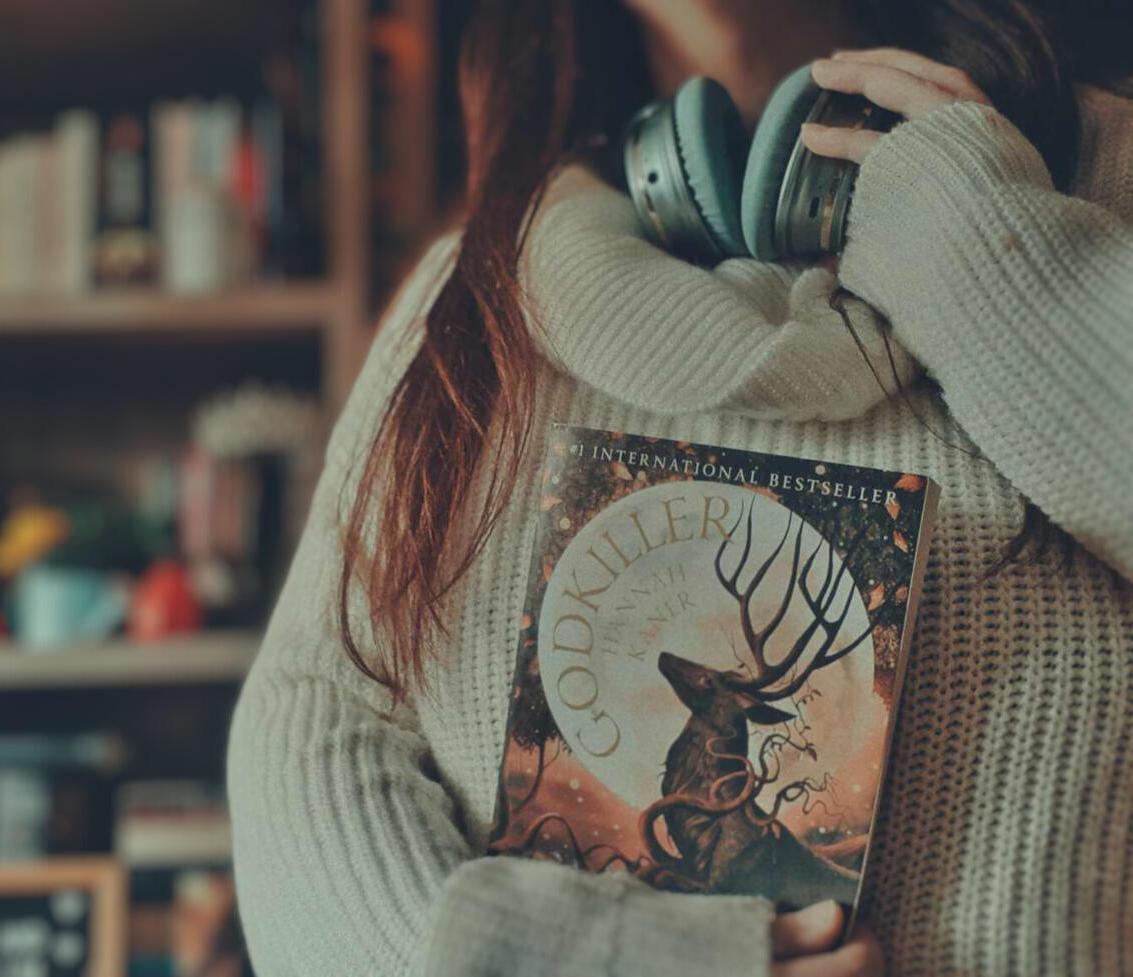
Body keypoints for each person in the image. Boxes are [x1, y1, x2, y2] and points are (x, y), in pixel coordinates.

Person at [228, 1, 1133, 974]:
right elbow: (309, 735)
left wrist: (997, 253)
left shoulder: (1105, 183)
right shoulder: (471, 305)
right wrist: (588, 961)